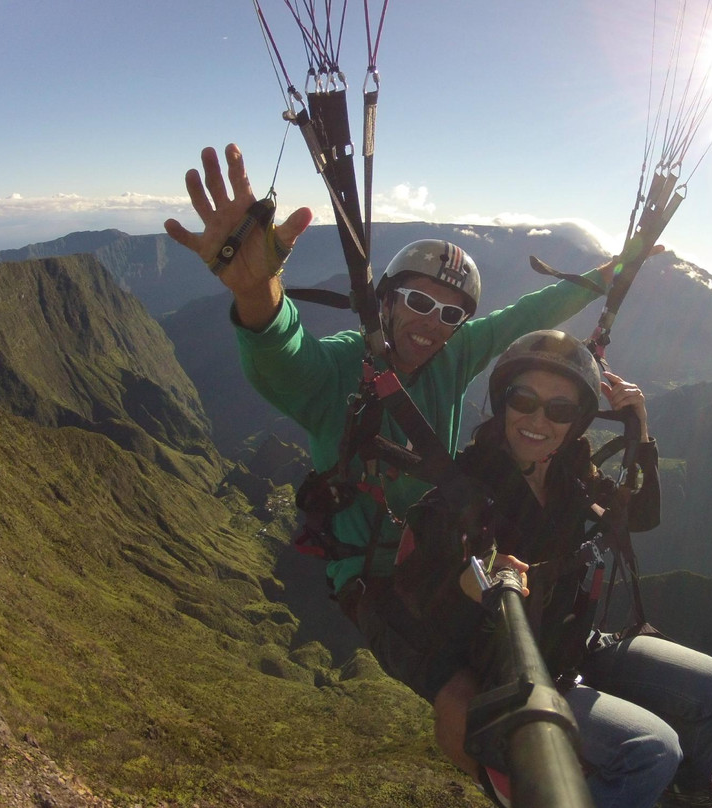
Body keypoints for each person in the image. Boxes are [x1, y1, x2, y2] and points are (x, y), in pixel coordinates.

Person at [164, 144, 631, 774]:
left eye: (449, 314)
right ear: (385, 301)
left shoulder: (454, 356)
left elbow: (530, 313)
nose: (431, 324)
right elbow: (284, 352)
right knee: (463, 698)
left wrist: (616, 271)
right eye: (417, 302)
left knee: (531, 638)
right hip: (374, 576)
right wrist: (258, 290)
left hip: (439, 552)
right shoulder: (339, 371)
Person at [393, 330, 712, 808]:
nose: (539, 420)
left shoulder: (570, 474)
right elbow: (422, 583)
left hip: (576, 644)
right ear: (503, 401)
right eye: (524, 400)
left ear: (577, 421)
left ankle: (692, 792)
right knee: (652, 750)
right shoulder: (468, 488)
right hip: (515, 670)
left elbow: (640, 517)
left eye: (560, 410)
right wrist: (473, 577)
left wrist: (639, 432)